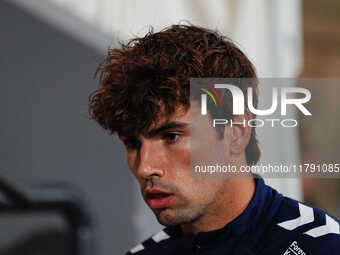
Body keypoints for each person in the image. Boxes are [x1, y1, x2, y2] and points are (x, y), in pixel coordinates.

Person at [88, 25, 340, 254]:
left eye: (171, 136)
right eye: (133, 143)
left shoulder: (322, 246)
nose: (145, 167)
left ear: (237, 132)